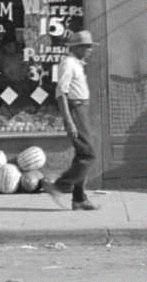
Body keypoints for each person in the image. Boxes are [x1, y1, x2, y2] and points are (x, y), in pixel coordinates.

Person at [42, 30, 98, 211]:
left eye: (90, 46)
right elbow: (61, 93)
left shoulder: (77, 64)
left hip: (82, 108)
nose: (90, 50)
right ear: (77, 47)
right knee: (88, 154)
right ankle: (59, 185)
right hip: (75, 109)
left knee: (82, 154)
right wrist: (69, 120)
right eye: (87, 47)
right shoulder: (67, 63)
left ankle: (79, 199)